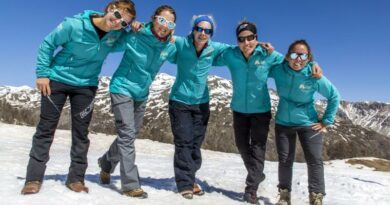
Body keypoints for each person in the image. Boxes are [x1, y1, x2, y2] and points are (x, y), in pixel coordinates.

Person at [21, 0, 136, 195]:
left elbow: (129, 40)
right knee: (45, 129)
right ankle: (33, 178)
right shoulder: (74, 25)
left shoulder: (115, 36)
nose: (117, 23)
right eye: (117, 16)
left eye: (123, 23)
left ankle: (76, 178)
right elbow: (48, 43)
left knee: (81, 134)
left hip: (86, 86)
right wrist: (42, 74)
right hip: (57, 81)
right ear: (109, 9)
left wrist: (135, 28)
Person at [214, 21, 323, 204]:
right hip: (239, 110)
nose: (246, 42)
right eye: (242, 39)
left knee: (258, 148)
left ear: (256, 38)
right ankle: (258, 174)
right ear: (237, 40)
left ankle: (251, 189)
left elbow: (295, 60)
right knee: (241, 146)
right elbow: (211, 51)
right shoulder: (230, 54)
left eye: (250, 38)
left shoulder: (268, 55)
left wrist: (313, 63)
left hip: (261, 111)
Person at [97, 5, 176, 199]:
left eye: (170, 23)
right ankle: (131, 185)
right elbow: (111, 42)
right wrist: (126, 27)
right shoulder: (136, 34)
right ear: (154, 18)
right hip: (122, 87)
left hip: (141, 93)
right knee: (126, 134)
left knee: (130, 134)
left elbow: (188, 50)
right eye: (162, 20)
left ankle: (106, 162)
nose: (164, 26)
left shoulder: (170, 45)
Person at [268, 40, 340, 205]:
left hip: (309, 124)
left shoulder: (313, 75)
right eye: (294, 54)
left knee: (314, 160)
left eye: (303, 56)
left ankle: (316, 197)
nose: (298, 59)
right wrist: (267, 51)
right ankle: (284, 195)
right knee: (285, 160)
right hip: (283, 123)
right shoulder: (279, 70)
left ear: (308, 58)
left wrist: (326, 122)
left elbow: (334, 95)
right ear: (287, 56)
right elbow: (264, 64)